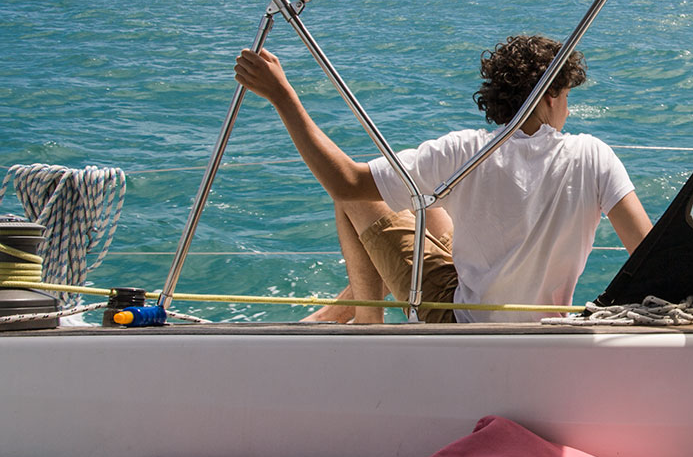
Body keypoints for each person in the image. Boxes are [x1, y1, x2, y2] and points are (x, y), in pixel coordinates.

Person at [234, 34, 652, 324]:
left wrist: (282, 97)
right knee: (428, 206)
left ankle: (365, 324)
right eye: (566, 97)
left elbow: (345, 181)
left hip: (464, 321)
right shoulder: (594, 155)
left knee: (357, 198)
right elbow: (647, 253)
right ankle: (346, 307)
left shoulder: (465, 151)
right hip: (541, 328)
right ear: (549, 96)